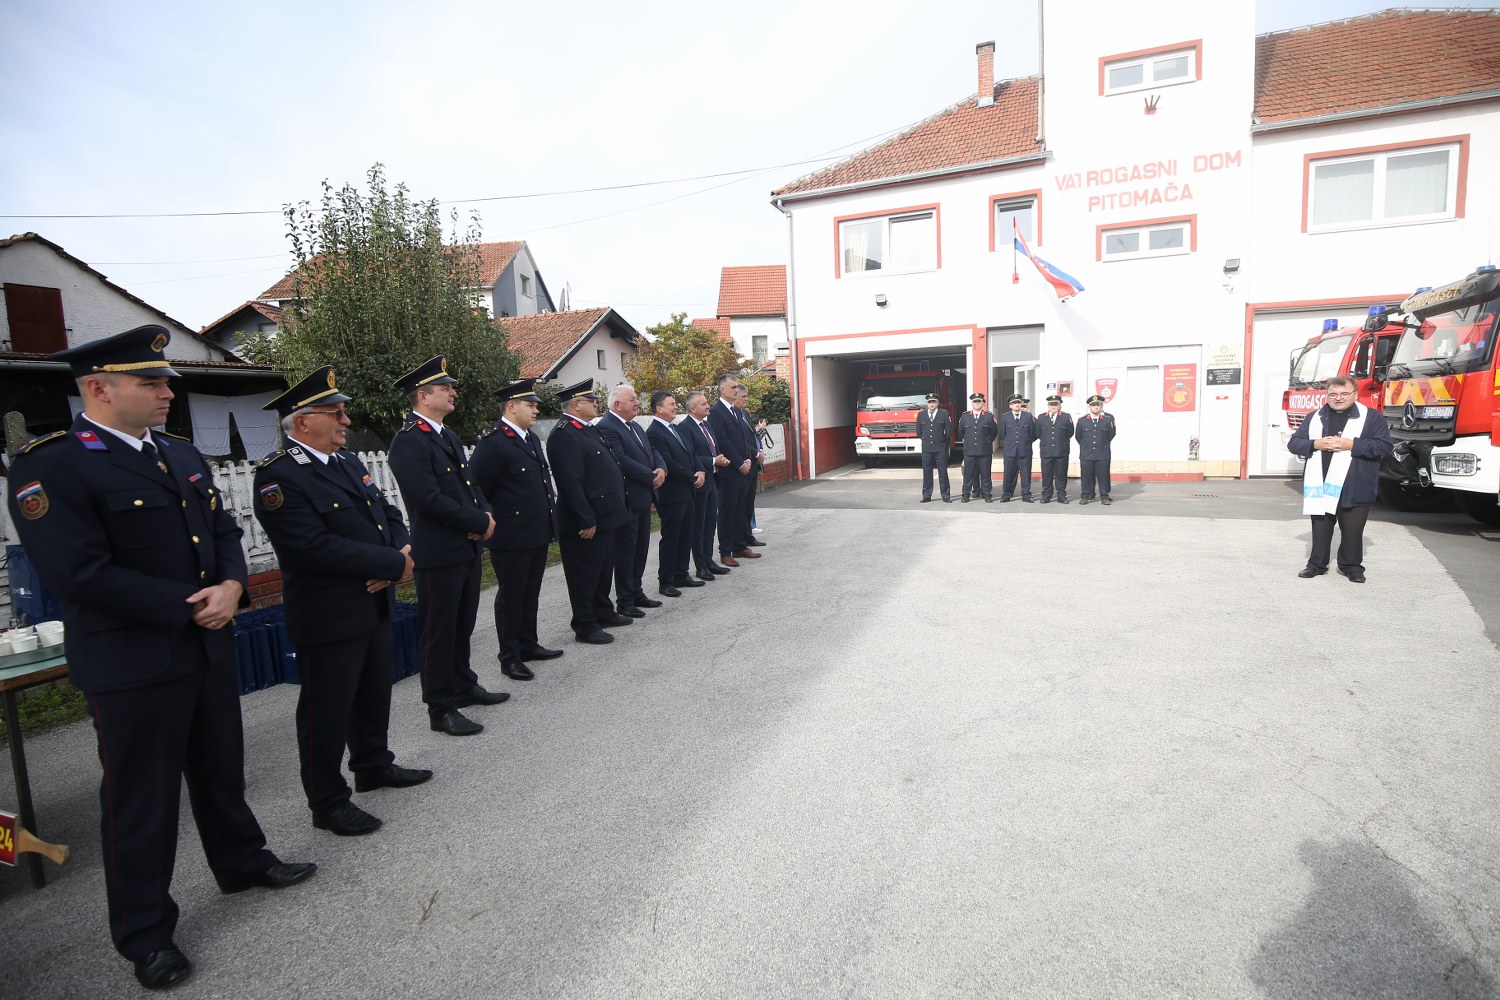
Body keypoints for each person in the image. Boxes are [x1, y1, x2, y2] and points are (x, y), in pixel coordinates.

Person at [7, 326, 315, 991]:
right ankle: (145, 934)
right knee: (141, 801)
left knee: (219, 770)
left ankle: (242, 861)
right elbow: (78, 572)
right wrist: (191, 604)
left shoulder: (178, 453)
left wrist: (231, 585)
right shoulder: (51, 465)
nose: (167, 392)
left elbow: (224, 529)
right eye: (150, 382)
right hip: (132, 661)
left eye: (166, 381)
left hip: (205, 645)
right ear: (98, 388)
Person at [253, 367, 432, 836]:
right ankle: (327, 800)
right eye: (335, 413)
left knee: (373, 690)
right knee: (326, 710)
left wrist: (400, 553)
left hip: (373, 600)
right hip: (329, 610)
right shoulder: (279, 476)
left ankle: (372, 765)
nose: (346, 421)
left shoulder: (348, 463)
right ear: (302, 421)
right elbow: (310, 547)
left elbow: (389, 513)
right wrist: (391, 564)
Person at [386, 356, 508, 739]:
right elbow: (427, 499)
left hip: (465, 547)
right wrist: (476, 522)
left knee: (462, 623)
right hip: (438, 551)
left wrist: (484, 514)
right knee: (438, 632)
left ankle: (462, 683)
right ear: (423, 396)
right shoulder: (408, 441)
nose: (453, 392)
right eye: (445, 388)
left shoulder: (447, 436)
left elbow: (471, 486)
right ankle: (440, 706)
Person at [468, 379, 563, 681]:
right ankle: (509, 657)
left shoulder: (530, 438)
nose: (536, 410)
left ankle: (528, 644)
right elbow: (477, 488)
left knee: (530, 591)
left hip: (535, 531)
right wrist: (485, 519)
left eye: (535, 405)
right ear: (511, 407)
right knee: (511, 596)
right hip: (510, 536)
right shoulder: (494, 442)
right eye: (530, 405)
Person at [546, 379, 633, 643]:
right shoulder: (564, 434)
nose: (596, 404)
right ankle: (584, 624)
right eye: (590, 400)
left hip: (603, 515)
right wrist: (585, 518)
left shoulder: (587, 429)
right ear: (575, 405)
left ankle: (602, 611)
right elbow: (570, 482)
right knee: (583, 573)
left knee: (602, 569)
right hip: (585, 519)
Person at [1286, 374, 1393, 583]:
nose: (1338, 398)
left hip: (1355, 484)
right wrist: (1315, 444)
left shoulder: (1372, 417)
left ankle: (1351, 567)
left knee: (1353, 531)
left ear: (1355, 394)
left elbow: (1384, 447)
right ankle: (1316, 565)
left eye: (1344, 394)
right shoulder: (1314, 417)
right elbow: (1294, 443)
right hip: (1321, 483)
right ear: (1326, 396)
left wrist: (1352, 444)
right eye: (1333, 394)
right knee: (1320, 528)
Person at [594, 384, 666, 617]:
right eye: (632, 399)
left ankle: (636, 592)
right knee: (626, 551)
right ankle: (625, 600)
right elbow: (621, 460)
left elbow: (652, 450)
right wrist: (650, 476)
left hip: (643, 497)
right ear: (617, 405)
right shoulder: (607, 427)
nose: (637, 403)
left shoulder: (634, 426)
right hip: (627, 500)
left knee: (640, 549)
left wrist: (661, 469)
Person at [645, 390, 705, 595]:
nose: (676, 407)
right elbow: (668, 463)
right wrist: (692, 477)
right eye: (671, 404)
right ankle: (666, 581)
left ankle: (681, 574)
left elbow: (692, 453)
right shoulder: (654, 432)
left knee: (685, 535)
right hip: (672, 494)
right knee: (671, 537)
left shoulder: (676, 428)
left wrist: (701, 471)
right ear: (659, 408)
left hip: (687, 492)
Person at [682, 390, 732, 580]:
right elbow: (690, 456)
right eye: (703, 404)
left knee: (710, 523)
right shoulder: (685, 427)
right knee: (699, 526)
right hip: (699, 482)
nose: (708, 406)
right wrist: (712, 461)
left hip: (712, 480)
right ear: (693, 408)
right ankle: (700, 566)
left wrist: (720, 459)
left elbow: (713, 449)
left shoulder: (706, 425)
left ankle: (709, 561)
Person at [708, 373, 758, 565]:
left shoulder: (736, 411)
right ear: (722, 390)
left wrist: (748, 459)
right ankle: (725, 551)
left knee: (739, 509)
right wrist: (739, 463)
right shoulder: (716, 412)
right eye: (733, 387)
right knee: (727, 511)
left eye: (737, 387)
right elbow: (723, 442)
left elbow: (743, 439)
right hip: (729, 470)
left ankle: (739, 546)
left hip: (742, 467)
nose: (737, 390)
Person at [735, 385, 768, 546]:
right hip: (744, 463)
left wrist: (760, 450)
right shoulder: (733, 416)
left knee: (749, 502)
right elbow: (741, 441)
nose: (746, 399)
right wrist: (756, 454)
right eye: (743, 396)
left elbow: (753, 436)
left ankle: (748, 536)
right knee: (741, 504)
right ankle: (740, 539)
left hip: (754, 464)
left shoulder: (745, 414)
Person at [1076, 394, 1118, 505]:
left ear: (1102, 406)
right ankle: (1085, 495)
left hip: (1102, 453)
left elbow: (1111, 435)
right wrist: (1087, 446)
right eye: (1093, 405)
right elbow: (1078, 437)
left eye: (1098, 405)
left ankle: (1104, 496)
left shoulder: (1107, 420)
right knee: (1086, 476)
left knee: (1103, 475)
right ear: (1089, 407)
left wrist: (1102, 444)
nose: (1096, 407)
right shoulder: (1082, 421)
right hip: (1087, 453)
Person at [956, 391, 998, 502]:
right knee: (968, 475)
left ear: (983, 403)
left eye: (979, 401)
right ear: (972, 403)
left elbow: (994, 432)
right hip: (969, 451)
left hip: (984, 450)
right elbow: (961, 432)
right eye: (975, 401)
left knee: (986, 474)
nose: (977, 403)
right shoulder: (965, 416)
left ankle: (987, 494)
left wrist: (986, 442)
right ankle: (966, 495)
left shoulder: (989, 416)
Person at [999, 392, 1038, 502]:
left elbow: (1033, 433)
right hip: (1010, 450)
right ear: (1010, 406)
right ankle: (1007, 494)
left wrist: (1026, 443)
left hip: (1024, 450)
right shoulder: (1005, 417)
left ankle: (1026, 495)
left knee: (1025, 474)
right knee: (1009, 473)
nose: (1017, 404)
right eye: (1014, 403)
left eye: (1018, 402)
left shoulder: (1028, 416)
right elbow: (1002, 434)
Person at [1036, 394, 1074, 503]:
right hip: (1046, 451)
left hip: (1061, 450)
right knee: (1046, 475)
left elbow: (1070, 432)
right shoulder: (1041, 417)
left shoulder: (1066, 417)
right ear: (1048, 405)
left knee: (1061, 474)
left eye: (1056, 404)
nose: (1053, 407)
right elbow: (1038, 433)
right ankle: (1046, 495)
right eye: (1051, 404)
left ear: (1060, 405)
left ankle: (1061, 495)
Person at [916, 392, 953, 503]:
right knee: (927, 473)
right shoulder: (921, 415)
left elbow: (949, 431)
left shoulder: (944, 414)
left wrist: (941, 439)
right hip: (927, 449)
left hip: (940, 448)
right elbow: (919, 432)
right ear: (927, 403)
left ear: (937, 403)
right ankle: (926, 495)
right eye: (930, 402)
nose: (932, 404)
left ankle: (945, 496)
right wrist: (926, 439)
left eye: (934, 402)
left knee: (943, 472)